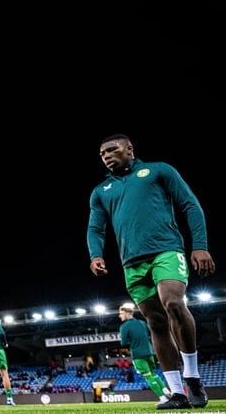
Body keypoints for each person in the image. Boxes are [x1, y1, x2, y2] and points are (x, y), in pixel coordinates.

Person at [87, 133, 215, 409]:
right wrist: (95, 254)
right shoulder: (100, 191)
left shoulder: (158, 170)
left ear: (129, 149)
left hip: (166, 250)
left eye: (112, 150)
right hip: (131, 263)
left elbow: (189, 204)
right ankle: (177, 391)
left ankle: (192, 375)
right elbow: (96, 228)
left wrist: (200, 245)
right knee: (155, 322)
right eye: (102, 154)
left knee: (173, 304)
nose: (106, 156)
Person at [119, 303, 170, 405]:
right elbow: (149, 334)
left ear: (127, 314)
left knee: (148, 376)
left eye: (121, 313)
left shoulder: (124, 326)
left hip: (138, 354)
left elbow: (123, 343)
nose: (119, 316)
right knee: (154, 374)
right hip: (149, 352)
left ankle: (163, 398)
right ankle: (166, 392)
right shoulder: (142, 323)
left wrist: (132, 342)